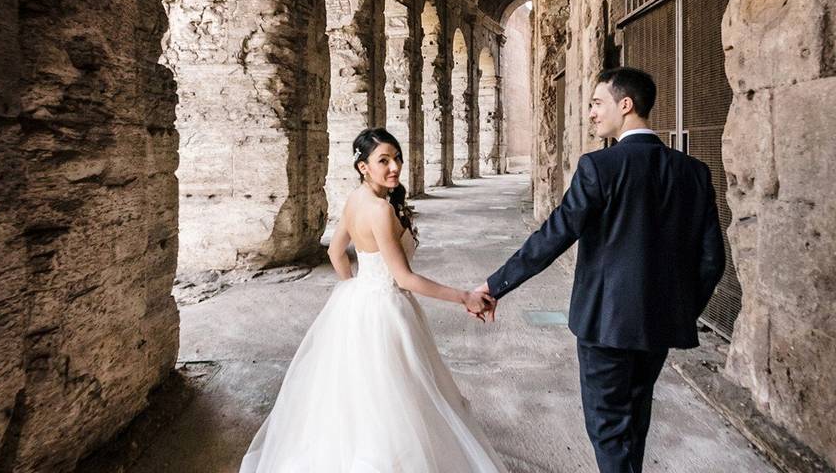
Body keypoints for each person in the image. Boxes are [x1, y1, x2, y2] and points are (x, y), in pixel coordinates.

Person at [475, 66, 725, 473]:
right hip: (657, 325)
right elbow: (712, 258)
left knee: (608, 427)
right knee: (635, 419)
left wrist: (494, 285)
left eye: (596, 103)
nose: (590, 113)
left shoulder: (599, 167)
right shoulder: (693, 172)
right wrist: (678, 310)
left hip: (605, 324)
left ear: (625, 105)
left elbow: (553, 237)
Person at [240, 127, 504, 473]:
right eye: (383, 160)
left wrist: (356, 291)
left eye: (397, 158)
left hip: (361, 302)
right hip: (387, 309)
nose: (394, 167)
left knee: (362, 400)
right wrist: (465, 297)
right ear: (363, 166)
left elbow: (337, 252)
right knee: (398, 398)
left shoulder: (354, 200)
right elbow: (404, 278)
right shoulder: (379, 210)